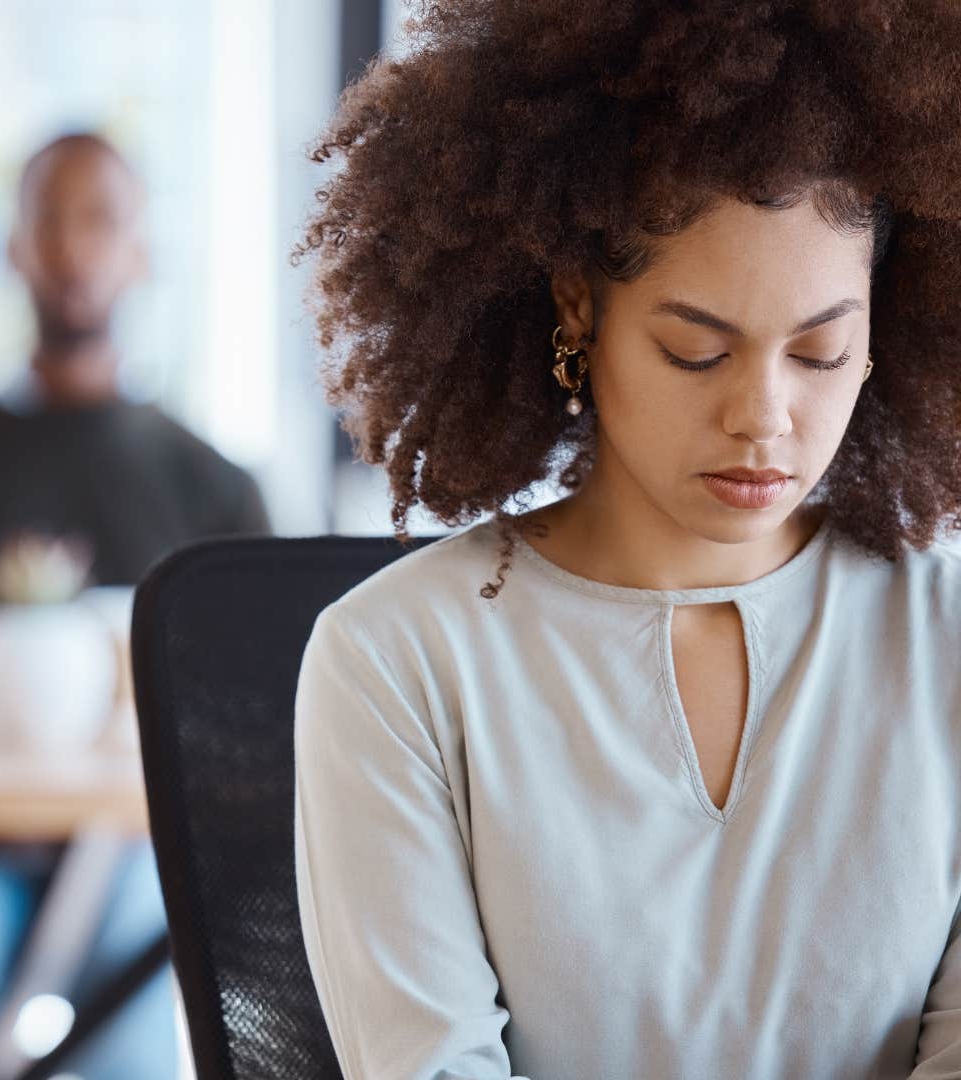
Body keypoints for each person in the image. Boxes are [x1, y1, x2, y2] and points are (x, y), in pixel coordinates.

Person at [290, 4, 961, 1078]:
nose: (764, 415)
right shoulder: (396, 664)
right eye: (697, 350)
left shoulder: (947, 644)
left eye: (823, 352)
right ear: (578, 311)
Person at [0, 132, 269, 1080]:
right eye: (48, 218)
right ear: (11, 246)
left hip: (127, 842)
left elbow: (255, 722)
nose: (74, 248)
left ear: (144, 250)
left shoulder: (217, 491)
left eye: (102, 219)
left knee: (133, 1039)